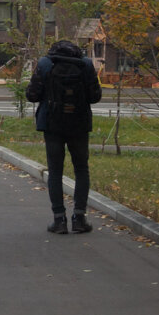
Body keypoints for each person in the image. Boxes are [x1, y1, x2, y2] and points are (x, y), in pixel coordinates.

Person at [26, 39, 102, 234]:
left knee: (55, 171)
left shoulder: (45, 63)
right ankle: (79, 218)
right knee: (81, 169)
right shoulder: (85, 64)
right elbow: (95, 97)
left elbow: (32, 95)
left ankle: (59, 220)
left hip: (52, 124)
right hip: (79, 124)